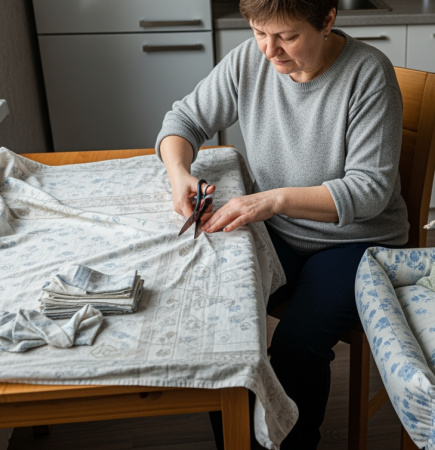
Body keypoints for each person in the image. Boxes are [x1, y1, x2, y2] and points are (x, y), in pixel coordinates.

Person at [154, 0, 407, 447]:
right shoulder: (248, 60)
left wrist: (273, 201)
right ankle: (240, 441)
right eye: (259, 32)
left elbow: (369, 191)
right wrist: (180, 175)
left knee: (295, 346)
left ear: (327, 19)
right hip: (280, 233)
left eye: (287, 36)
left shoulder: (368, 73)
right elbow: (184, 121)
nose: (270, 51)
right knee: (217, 324)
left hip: (358, 243)